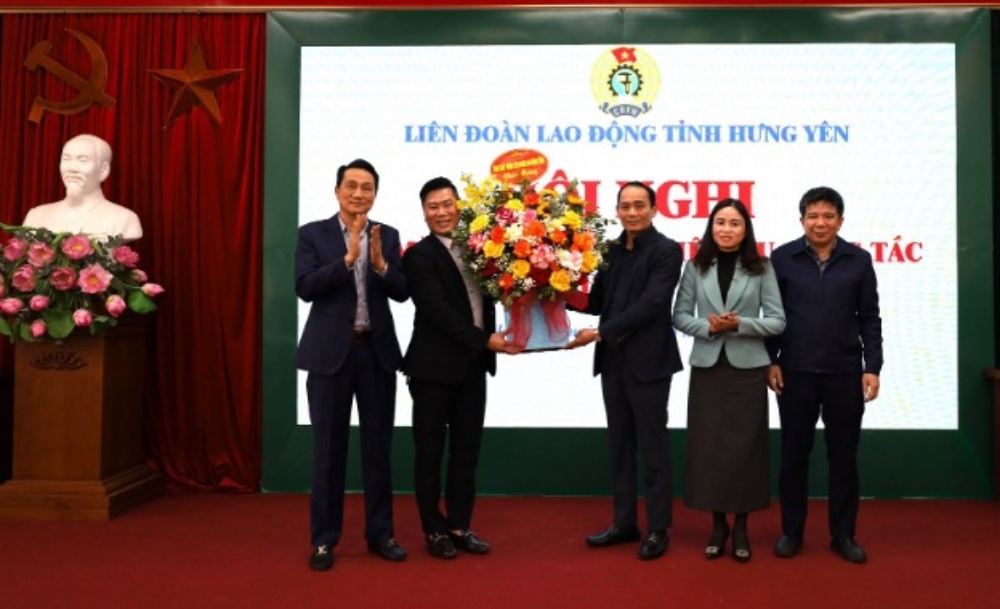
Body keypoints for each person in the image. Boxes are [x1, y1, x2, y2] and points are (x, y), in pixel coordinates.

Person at [295, 159, 410, 571]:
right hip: (330, 358)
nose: (359, 193)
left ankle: (381, 534)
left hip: (375, 354)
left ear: (375, 194)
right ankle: (324, 540)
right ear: (337, 190)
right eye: (352, 185)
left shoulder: (389, 235)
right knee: (328, 452)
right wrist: (348, 257)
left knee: (378, 450)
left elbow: (402, 292)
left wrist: (380, 265)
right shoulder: (313, 234)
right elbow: (305, 287)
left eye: (367, 187)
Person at [402, 176, 520, 560]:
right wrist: (484, 339)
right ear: (424, 212)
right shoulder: (419, 256)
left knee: (467, 452)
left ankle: (458, 525)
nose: (442, 212)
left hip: (473, 367)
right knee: (430, 453)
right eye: (433, 207)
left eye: (447, 204)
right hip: (433, 370)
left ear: (459, 206)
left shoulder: (480, 248)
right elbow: (437, 312)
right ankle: (433, 530)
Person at [566, 181, 683, 561]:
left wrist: (601, 332)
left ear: (654, 209)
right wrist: (551, 289)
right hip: (614, 361)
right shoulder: (612, 250)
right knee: (619, 446)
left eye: (639, 206)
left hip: (649, 363)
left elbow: (652, 304)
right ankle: (624, 522)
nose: (632, 213)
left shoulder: (667, 250)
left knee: (653, 448)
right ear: (616, 211)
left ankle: (659, 528)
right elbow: (598, 300)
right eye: (625, 206)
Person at [766, 186, 882, 564]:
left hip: (844, 374)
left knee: (843, 458)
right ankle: (791, 532)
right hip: (795, 372)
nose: (820, 222)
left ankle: (843, 535)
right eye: (813, 216)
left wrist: (872, 367)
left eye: (828, 216)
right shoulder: (782, 258)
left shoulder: (859, 261)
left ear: (840, 221)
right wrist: (771, 359)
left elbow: (869, 318)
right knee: (793, 457)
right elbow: (771, 316)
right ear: (802, 220)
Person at [672, 199, 785, 563]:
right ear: (710, 227)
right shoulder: (695, 266)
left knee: (745, 451)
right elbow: (679, 315)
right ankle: (717, 524)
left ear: (745, 230)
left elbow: (777, 320)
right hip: (708, 367)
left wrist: (739, 324)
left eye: (735, 223)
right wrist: (708, 327)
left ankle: (741, 527)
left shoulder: (761, 267)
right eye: (720, 222)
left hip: (748, 370)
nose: (726, 229)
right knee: (709, 450)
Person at [23, 134, 142, 242]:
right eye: (66, 159)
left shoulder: (124, 219)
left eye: (83, 160)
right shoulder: (36, 216)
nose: (71, 168)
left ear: (103, 170)